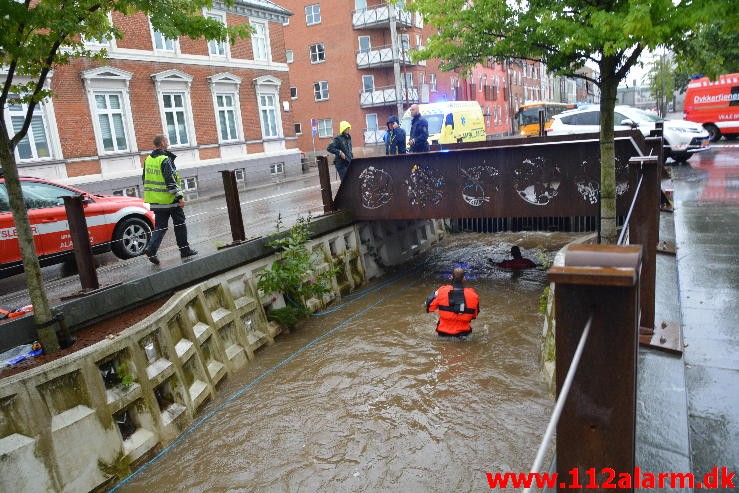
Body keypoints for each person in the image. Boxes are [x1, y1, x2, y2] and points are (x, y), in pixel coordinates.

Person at [142, 134, 198, 265]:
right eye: (166, 141)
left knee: (160, 226)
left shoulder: (148, 159)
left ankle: (151, 248)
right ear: (162, 143)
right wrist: (179, 197)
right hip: (170, 199)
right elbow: (170, 181)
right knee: (180, 224)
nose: (167, 143)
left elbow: (144, 179)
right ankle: (185, 250)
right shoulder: (165, 159)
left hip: (156, 200)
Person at [424, 267, 480, 337]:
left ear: (451, 277)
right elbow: (474, 315)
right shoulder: (474, 295)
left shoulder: (441, 291)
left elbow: (429, 307)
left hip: (443, 334)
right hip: (464, 335)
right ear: (464, 279)